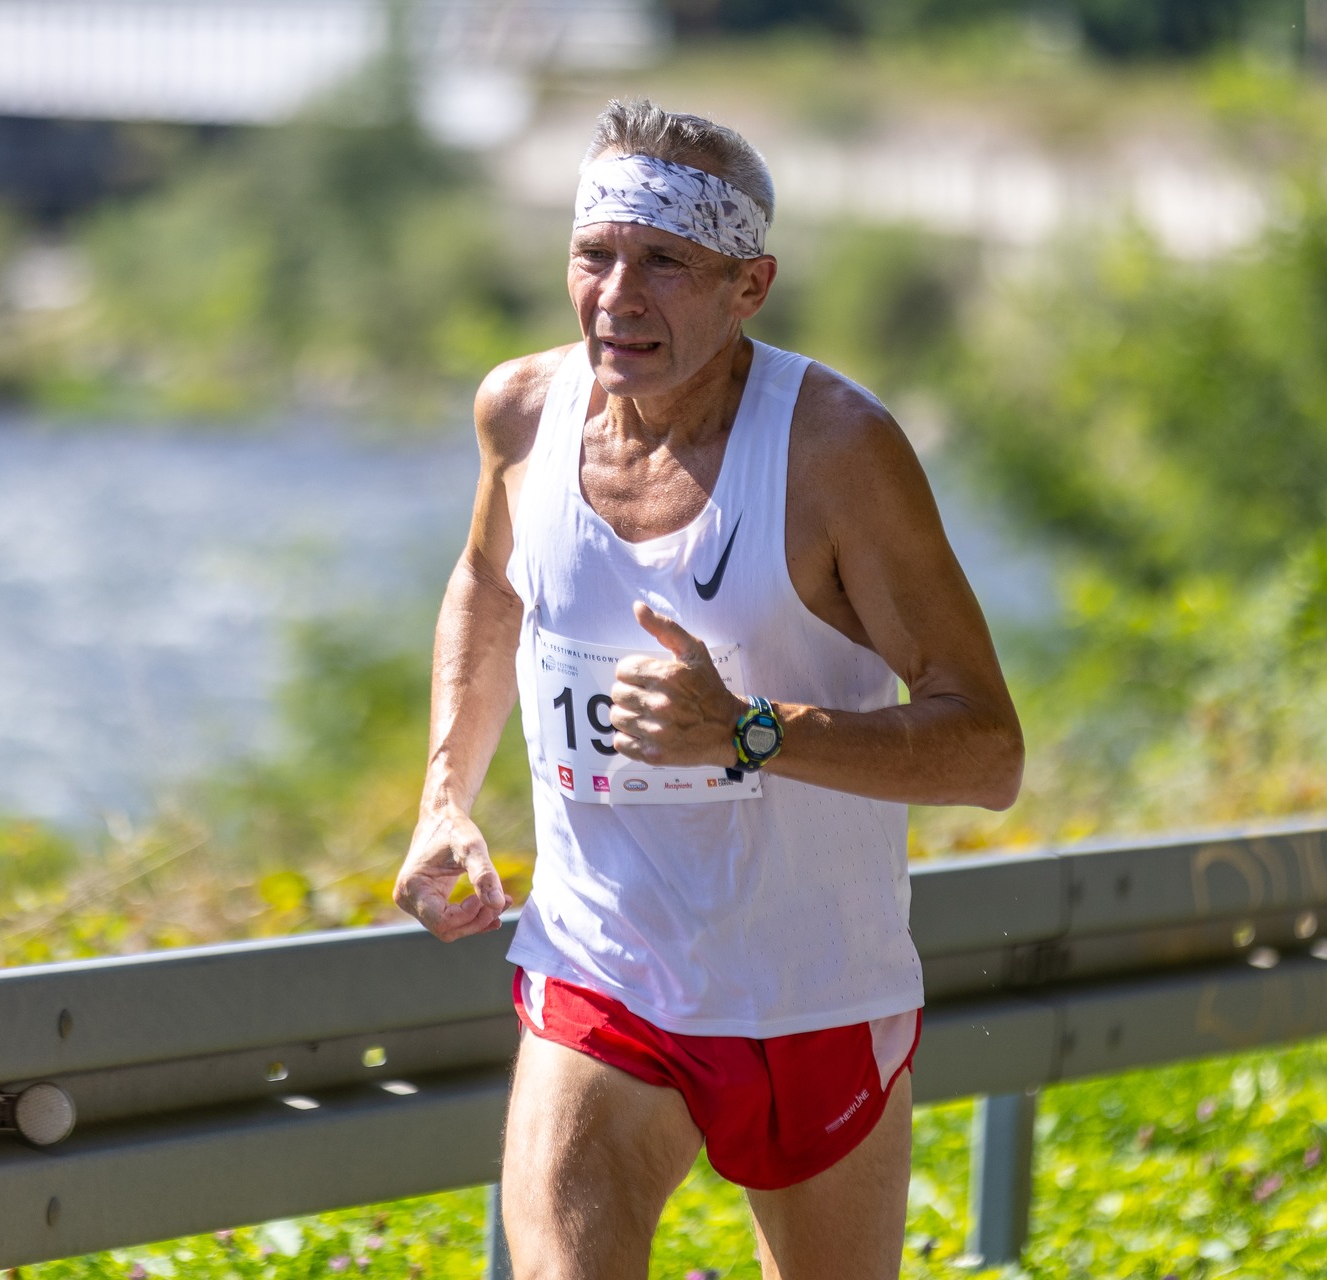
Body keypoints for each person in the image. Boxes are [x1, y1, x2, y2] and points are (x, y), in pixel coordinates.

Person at [394, 98, 1023, 1280]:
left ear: (750, 286)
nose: (617, 297)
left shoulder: (836, 449)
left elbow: (989, 750)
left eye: (666, 263)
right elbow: (487, 583)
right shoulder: (521, 414)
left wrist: (747, 731)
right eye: (595, 253)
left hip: (810, 992)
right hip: (601, 968)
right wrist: (443, 798)